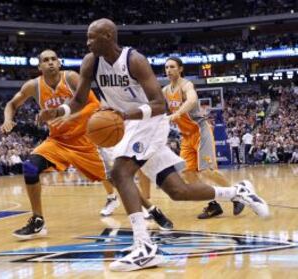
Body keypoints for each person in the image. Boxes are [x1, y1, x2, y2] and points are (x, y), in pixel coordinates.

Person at [38, 19, 269, 272]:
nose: (87, 42)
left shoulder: (134, 60)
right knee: (177, 191)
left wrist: (125, 115)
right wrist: (58, 111)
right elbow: (80, 99)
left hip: (149, 121)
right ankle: (237, 192)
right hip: (126, 124)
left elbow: (159, 104)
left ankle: (144, 247)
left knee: (119, 173)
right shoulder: (90, 62)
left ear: (107, 36)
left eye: (92, 37)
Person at [1, 49, 122, 239]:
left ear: (59, 63)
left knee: (111, 177)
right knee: (30, 167)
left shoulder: (71, 78)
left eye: (53, 59)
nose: (50, 62)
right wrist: (8, 120)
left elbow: (94, 105)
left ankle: (135, 204)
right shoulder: (33, 86)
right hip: (57, 142)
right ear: (39, 66)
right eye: (45, 60)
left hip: (84, 139)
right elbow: (12, 104)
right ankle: (38, 221)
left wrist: (68, 115)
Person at [163, 57, 244, 219]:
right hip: (186, 136)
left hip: (200, 131)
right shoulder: (165, 91)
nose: (168, 70)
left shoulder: (186, 85)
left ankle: (236, 195)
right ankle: (213, 204)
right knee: (187, 173)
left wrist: (178, 113)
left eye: (172, 67)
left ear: (180, 69)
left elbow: (192, 99)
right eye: (166, 68)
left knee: (207, 170)